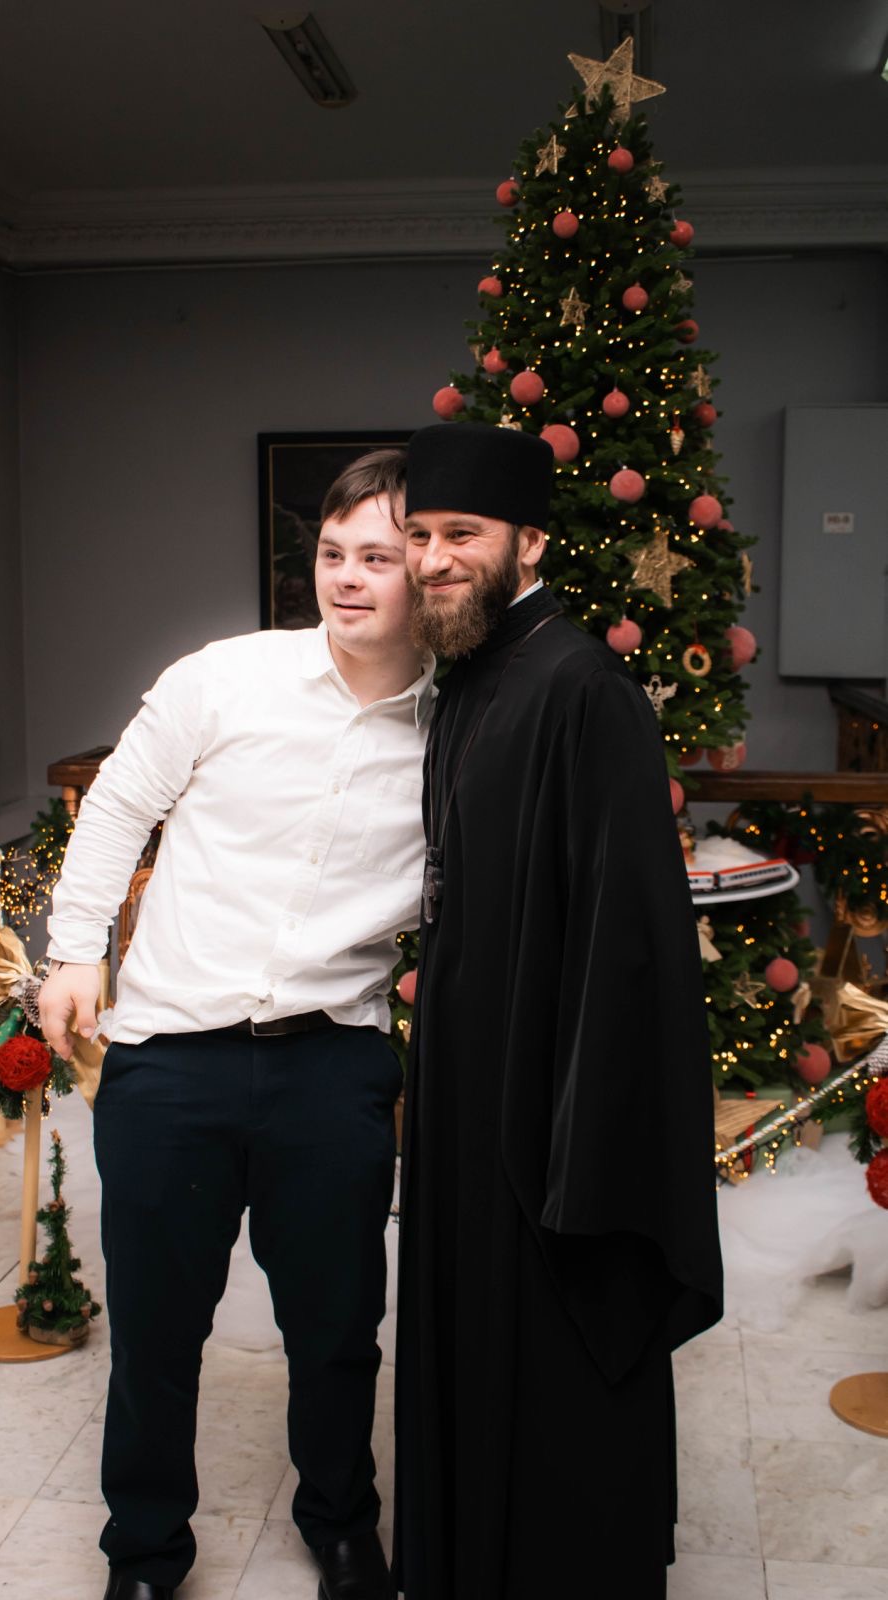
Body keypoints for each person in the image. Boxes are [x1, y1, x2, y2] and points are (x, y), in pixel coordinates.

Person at [38, 448, 433, 1600]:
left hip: (333, 1063)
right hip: (170, 1061)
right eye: (332, 553)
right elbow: (117, 806)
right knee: (157, 1334)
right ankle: (145, 1551)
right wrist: (75, 951)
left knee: (338, 1328)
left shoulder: (456, 726)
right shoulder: (223, 677)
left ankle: (341, 1522)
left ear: (426, 570)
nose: (345, 577)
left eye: (377, 557)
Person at [393, 422, 723, 1600]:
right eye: (418, 534)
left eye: (461, 534)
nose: (433, 558)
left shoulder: (583, 688)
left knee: (546, 1357)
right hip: (464, 1079)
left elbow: (629, 948)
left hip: (542, 1112)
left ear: (528, 541)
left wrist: (579, 1143)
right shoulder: (475, 674)